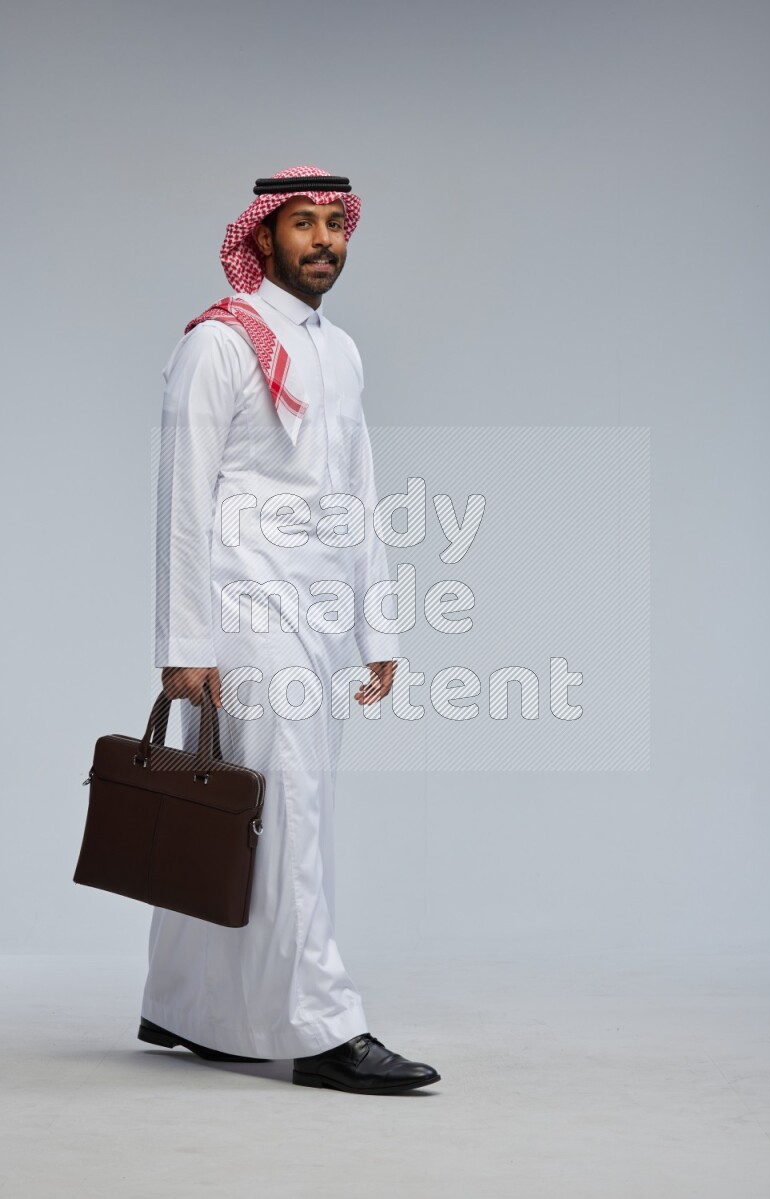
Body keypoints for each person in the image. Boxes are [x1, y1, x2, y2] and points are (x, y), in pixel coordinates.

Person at [138, 165, 441, 1094]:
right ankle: (321, 1028)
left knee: (239, 811)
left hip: (313, 608)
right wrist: (185, 645)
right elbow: (184, 500)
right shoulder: (221, 344)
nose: (321, 242)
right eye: (301, 224)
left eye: (333, 225)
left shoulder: (339, 352)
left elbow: (356, 494)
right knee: (292, 811)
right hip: (243, 612)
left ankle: (186, 1004)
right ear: (263, 238)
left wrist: (375, 622)